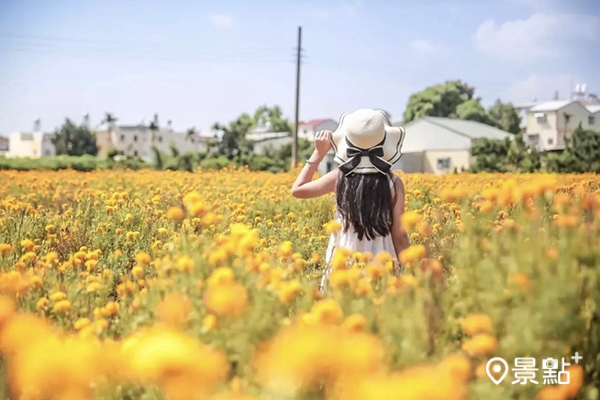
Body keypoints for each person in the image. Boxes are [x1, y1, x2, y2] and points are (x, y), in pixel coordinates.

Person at [291, 108, 410, 292]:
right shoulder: (394, 183)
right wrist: (411, 275)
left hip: (344, 261)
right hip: (382, 264)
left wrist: (318, 153)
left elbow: (298, 190)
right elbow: (400, 237)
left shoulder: (340, 177)